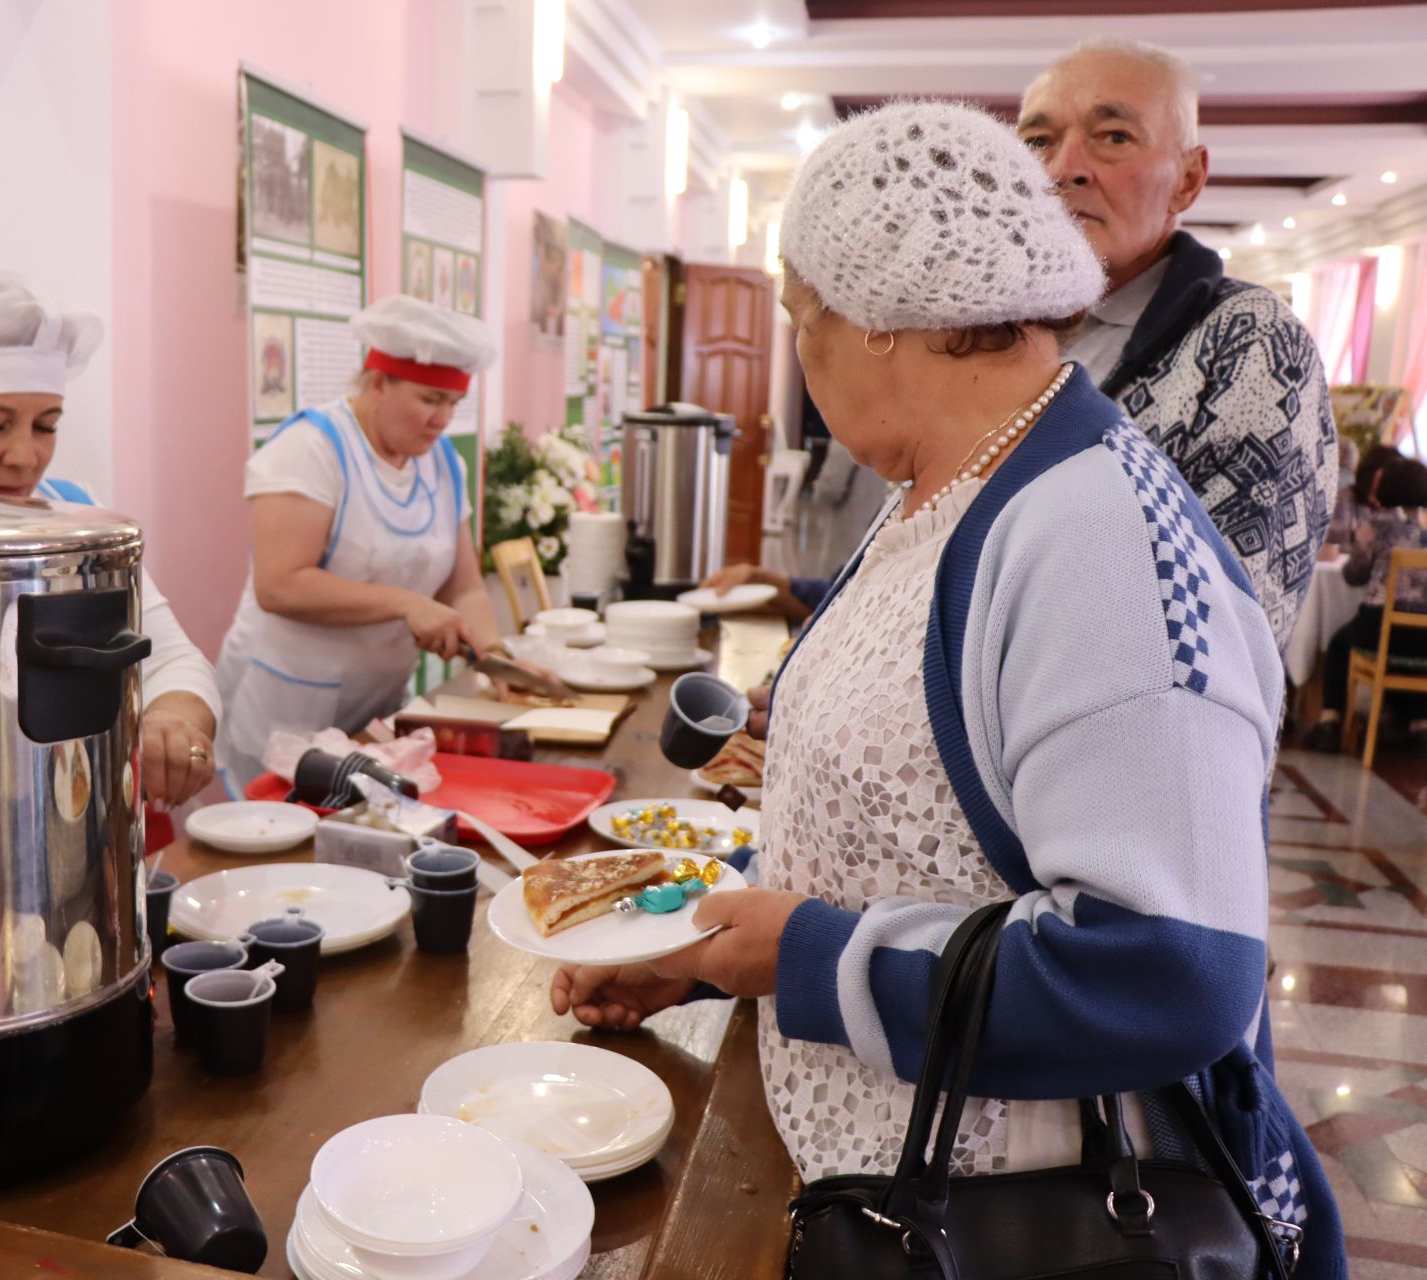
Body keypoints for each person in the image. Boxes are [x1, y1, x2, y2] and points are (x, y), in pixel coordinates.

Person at [551, 102, 1338, 1276]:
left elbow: (1171, 971)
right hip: (859, 1180)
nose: (799, 350)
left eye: (799, 314)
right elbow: (907, 825)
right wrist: (705, 947)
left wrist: (802, 956)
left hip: (1004, 1228)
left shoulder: (1097, 536)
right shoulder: (948, 488)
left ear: (877, 321)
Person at [0, 266, 221, 807]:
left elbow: (173, 659)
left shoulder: (74, 515)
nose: (25, 456)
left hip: (65, 824)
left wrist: (171, 717)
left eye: (46, 425)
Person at [1018, 37, 1336, 648]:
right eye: (1039, 142)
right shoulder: (993, 333)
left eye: (1113, 136)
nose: (1065, 168)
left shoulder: (1247, 345)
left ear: (1187, 181)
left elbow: (1224, 638)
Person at [215, 295, 521, 790]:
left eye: (453, 403)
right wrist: (405, 604)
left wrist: (495, 655)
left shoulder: (443, 464)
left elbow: (464, 588)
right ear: (379, 382)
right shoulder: (311, 449)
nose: (443, 420)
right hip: (286, 712)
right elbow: (280, 585)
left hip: (373, 711)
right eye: (429, 400)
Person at [1306, 452, 1427, 752]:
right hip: (1423, 636)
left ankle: (1330, 720)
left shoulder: (1379, 527)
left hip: (1380, 624)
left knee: (1339, 644)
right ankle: (1419, 725)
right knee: (1410, 657)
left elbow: (1354, 575)